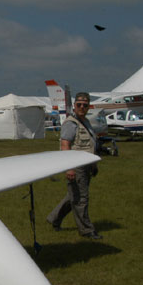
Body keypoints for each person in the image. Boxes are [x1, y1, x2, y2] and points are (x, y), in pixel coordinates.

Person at [47, 92, 102, 240]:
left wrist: (94, 165)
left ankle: (54, 218)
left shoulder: (86, 122)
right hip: (76, 166)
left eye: (85, 105)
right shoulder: (71, 123)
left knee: (73, 196)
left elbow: (90, 144)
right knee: (81, 199)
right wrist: (69, 167)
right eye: (79, 105)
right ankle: (86, 229)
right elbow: (65, 145)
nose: (82, 107)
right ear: (74, 106)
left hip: (86, 165)